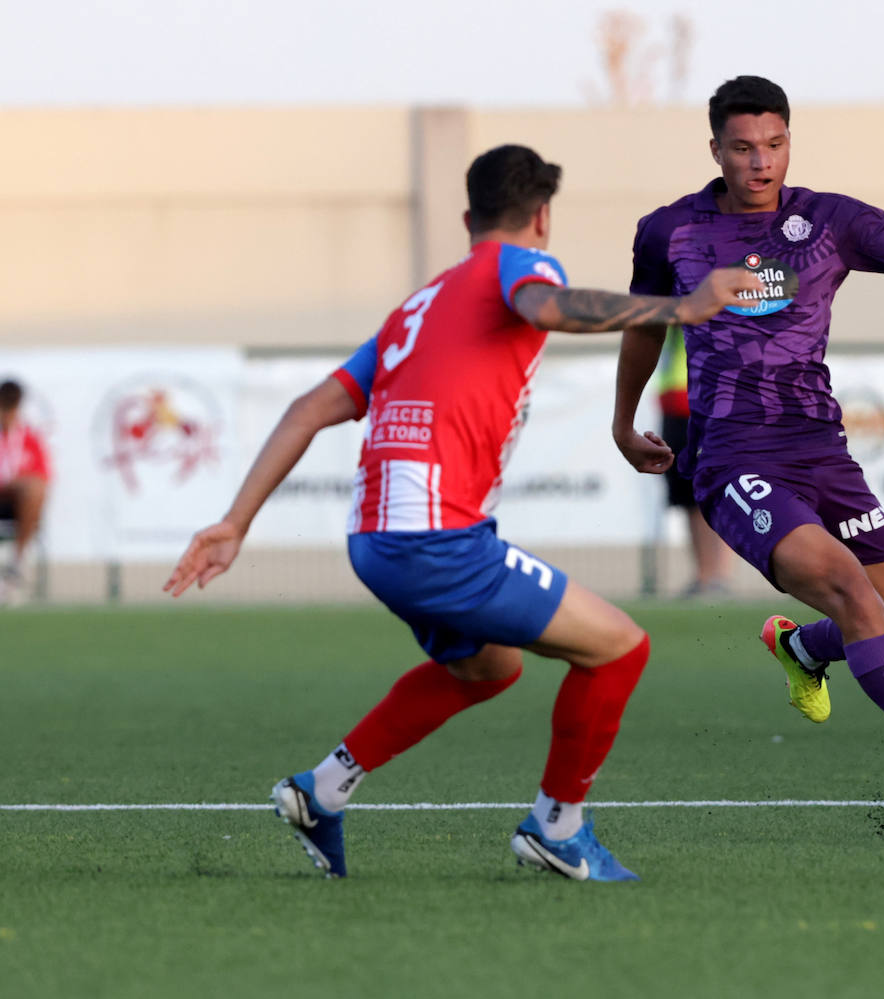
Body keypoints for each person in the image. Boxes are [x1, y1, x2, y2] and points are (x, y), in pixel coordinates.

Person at [164, 144, 762, 879]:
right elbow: (543, 305)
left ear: (465, 218)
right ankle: (558, 825)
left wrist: (235, 522)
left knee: (488, 666)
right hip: (435, 537)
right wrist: (684, 306)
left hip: (377, 538)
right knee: (619, 646)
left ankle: (323, 789)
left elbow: (306, 408)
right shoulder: (524, 266)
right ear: (541, 216)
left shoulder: (415, 308)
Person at [611, 76, 884, 832]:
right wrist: (624, 423)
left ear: (790, 141)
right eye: (744, 148)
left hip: (822, 451)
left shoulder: (830, 221)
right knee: (856, 592)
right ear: (716, 148)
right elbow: (643, 326)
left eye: (776, 145)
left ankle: (803, 648)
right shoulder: (670, 232)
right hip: (733, 457)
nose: (762, 163)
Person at [655, 325, 734, 597]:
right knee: (687, 496)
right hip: (674, 404)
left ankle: (719, 576)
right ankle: (703, 575)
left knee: (714, 492)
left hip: (704, 403)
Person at [0, 379, 51, 601]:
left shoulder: (28, 437)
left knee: (35, 488)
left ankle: (16, 563)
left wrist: (15, 483)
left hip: (14, 502)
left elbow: (42, 476)